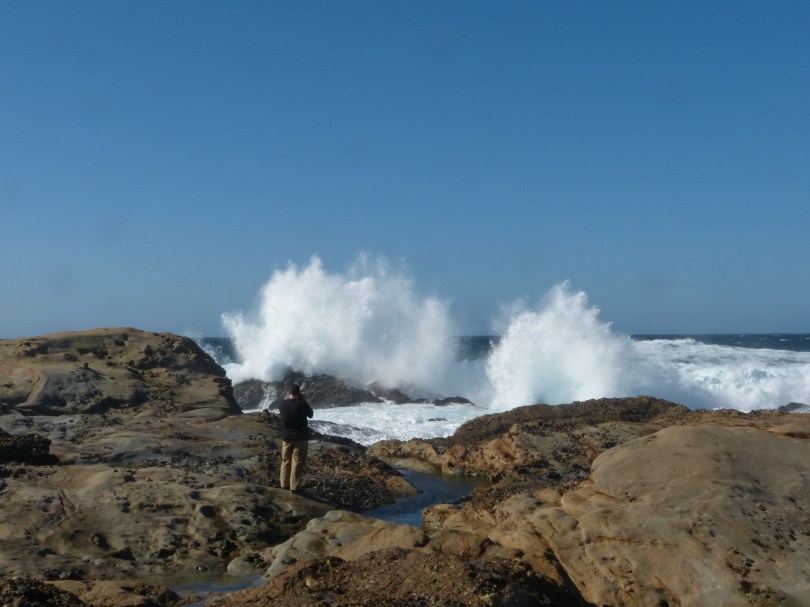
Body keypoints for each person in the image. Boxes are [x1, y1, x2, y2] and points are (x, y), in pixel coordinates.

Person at [278, 383, 313, 492]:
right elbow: (310, 414)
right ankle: (294, 487)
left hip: (286, 438)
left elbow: (289, 407)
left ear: (288, 393)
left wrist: (298, 399)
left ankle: (284, 484)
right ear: (299, 394)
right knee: (297, 462)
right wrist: (304, 400)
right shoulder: (302, 404)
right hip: (300, 438)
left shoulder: (282, 404)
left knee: (285, 461)